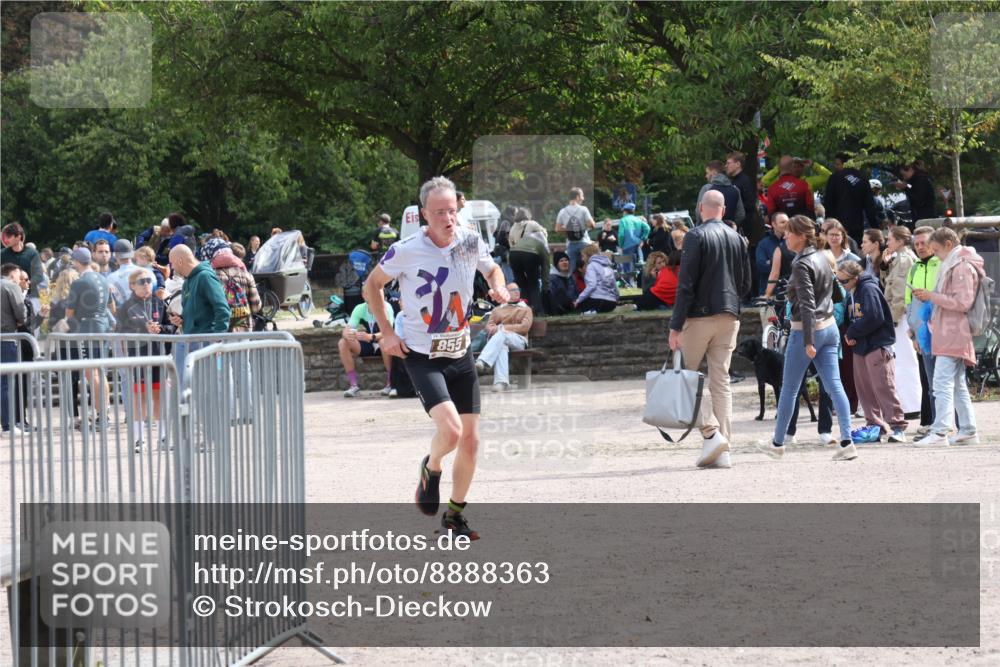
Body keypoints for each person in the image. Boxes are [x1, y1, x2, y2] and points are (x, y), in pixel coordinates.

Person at [362, 176, 509, 541]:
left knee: (472, 442)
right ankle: (432, 466)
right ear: (424, 215)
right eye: (440, 212)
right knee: (452, 431)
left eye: (453, 211)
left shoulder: (470, 241)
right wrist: (387, 332)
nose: (448, 218)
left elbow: (491, 268)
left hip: (460, 350)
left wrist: (498, 284)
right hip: (421, 353)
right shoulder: (406, 249)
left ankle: (455, 516)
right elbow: (372, 285)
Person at [756, 215, 858, 460]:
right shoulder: (824, 256)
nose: (785, 236)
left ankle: (778, 443)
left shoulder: (802, 263)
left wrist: (809, 341)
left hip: (807, 330)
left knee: (789, 388)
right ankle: (847, 441)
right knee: (834, 385)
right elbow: (836, 293)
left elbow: (807, 304)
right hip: (830, 327)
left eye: (789, 233)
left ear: (801, 236)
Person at [669, 190, 752, 468]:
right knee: (721, 380)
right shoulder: (738, 238)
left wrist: (675, 324)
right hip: (730, 314)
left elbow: (686, 284)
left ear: (701, 207)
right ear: (723, 209)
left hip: (699, 316)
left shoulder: (695, 235)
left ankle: (711, 433)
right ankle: (723, 447)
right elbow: (746, 284)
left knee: (685, 377)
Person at [911, 227, 981, 446]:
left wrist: (933, 296)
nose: (935, 254)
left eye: (936, 249)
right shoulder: (955, 264)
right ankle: (967, 429)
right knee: (957, 383)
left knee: (941, 383)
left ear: (948, 245)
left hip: (953, 330)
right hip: (951, 330)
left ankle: (940, 432)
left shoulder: (960, 267)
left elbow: (963, 302)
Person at [838, 260, 907, 443]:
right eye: (839, 281)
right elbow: (851, 318)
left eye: (844, 281)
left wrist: (853, 332)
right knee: (864, 389)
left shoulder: (868, 289)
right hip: (860, 346)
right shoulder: (852, 292)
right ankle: (875, 426)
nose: (842, 285)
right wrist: (850, 334)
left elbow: (875, 316)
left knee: (883, 386)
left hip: (876, 345)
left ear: (856, 277)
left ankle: (898, 426)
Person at [117, 268, 173, 451]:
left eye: (149, 280)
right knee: (140, 398)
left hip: (158, 356)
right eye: (142, 281)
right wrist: (143, 330)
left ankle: (163, 438)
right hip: (138, 358)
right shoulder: (126, 306)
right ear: (132, 286)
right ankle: (138, 439)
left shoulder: (160, 303)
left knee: (160, 397)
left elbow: (171, 327)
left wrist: (161, 330)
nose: (147, 284)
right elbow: (120, 332)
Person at [64, 247, 114, 428]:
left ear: (77, 262)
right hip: (102, 326)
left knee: (91, 373)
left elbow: (69, 313)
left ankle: (102, 416)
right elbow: (112, 307)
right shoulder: (103, 278)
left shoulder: (79, 282)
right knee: (100, 372)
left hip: (86, 328)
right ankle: (104, 413)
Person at [904, 226, 941, 435]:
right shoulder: (914, 268)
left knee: (948, 381)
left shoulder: (942, 265)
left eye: (923, 243)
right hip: (923, 335)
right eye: (916, 244)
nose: (920, 247)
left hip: (944, 332)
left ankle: (958, 425)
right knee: (931, 383)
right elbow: (909, 303)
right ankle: (937, 426)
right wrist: (914, 333)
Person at [882, 225, 922, 416]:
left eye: (890, 239)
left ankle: (912, 405)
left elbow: (899, 293)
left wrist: (894, 318)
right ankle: (910, 404)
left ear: (899, 240)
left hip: (901, 316)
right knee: (904, 360)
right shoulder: (899, 259)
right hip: (901, 314)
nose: (887, 242)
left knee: (906, 360)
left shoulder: (905, 260)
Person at [475, 282, 532, 392]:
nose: (517, 292)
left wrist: (502, 327)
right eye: (513, 290)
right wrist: (493, 328)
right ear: (506, 293)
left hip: (519, 341)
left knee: (501, 334)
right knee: (502, 346)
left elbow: (524, 327)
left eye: (517, 289)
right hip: (502, 341)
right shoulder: (498, 309)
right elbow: (489, 325)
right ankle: (501, 383)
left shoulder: (526, 309)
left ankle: (483, 361)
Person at [166, 245, 230, 334]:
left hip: (206, 341)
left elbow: (222, 309)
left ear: (180, 261)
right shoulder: (186, 282)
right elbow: (196, 314)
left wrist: (218, 337)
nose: (172, 268)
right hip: (192, 341)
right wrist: (180, 319)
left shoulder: (205, 276)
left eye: (171, 263)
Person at [203, 238, 261, 332]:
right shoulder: (246, 274)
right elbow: (256, 307)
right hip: (244, 331)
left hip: (220, 332)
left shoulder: (209, 276)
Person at [339, 300, 395, 398]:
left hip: (384, 343)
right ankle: (354, 386)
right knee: (343, 343)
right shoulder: (359, 308)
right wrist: (348, 335)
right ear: (364, 295)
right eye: (367, 292)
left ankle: (390, 384)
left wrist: (371, 336)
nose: (370, 293)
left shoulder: (386, 307)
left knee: (383, 341)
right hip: (369, 344)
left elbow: (388, 331)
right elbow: (346, 330)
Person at [823, 153, 879, 245]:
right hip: (856, 225)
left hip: (837, 225)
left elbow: (828, 202)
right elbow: (870, 206)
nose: (835, 167)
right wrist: (875, 227)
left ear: (844, 164)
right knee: (855, 250)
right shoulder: (863, 178)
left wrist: (828, 223)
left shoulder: (834, 177)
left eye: (837, 164)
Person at [1, 223, 47, 331]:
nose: (6, 239)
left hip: (30, 296)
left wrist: (26, 283)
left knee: (31, 331)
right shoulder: (2, 254)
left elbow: (39, 276)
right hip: (8, 297)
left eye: (9, 236)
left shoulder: (32, 253)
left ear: (18, 237)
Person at [1, 263, 27, 434]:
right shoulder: (11, 286)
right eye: (18, 277)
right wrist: (20, 320)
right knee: (7, 383)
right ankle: (9, 425)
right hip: (7, 338)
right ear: (12, 275)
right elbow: (21, 313)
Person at [555, 187, 596, 275]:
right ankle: (589, 287)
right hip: (584, 243)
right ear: (577, 197)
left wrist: (569, 227)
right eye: (582, 196)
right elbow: (592, 225)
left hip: (570, 244)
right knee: (588, 268)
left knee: (572, 270)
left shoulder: (562, 211)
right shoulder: (583, 209)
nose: (583, 198)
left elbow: (557, 229)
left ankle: (572, 287)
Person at [508, 230, 550, 315]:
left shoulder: (522, 239)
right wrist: (545, 287)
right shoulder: (541, 244)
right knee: (533, 284)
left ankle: (524, 311)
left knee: (522, 285)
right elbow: (546, 267)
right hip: (530, 255)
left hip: (513, 255)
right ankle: (539, 312)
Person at [696, 160, 745, 229]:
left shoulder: (707, 189)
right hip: (729, 233)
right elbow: (741, 215)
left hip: (709, 232)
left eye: (707, 173)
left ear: (714, 173)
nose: (706, 176)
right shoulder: (735, 190)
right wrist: (729, 226)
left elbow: (699, 213)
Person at [107, 240, 155, 309]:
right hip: (148, 314)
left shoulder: (111, 278)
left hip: (124, 316)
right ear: (132, 254)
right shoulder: (148, 272)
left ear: (115, 255)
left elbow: (110, 302)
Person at [574, 244, 618, 313]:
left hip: (597, 300)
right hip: (611, 302)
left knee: (581, 306)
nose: (582, 259)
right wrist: (616, 299)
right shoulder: (608, 267)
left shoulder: (591, 266)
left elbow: (592, 285)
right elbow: (614, 285)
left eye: (583, 256)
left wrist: (578, 299)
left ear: (588, 255)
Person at [725, 151, 760, 240]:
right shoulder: (732, 181)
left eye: (728, 163)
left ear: (738, 164)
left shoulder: (745, 181)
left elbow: (750, 204)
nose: (726, 166)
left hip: (743, 227)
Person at [756, 213, 788, 296]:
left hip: (788, 290)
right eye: (782, 222)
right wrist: (784, 264)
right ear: (774, 224)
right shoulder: (763, 244)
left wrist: (772, 261)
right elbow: (761, 265)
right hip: (770, 293)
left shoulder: (792, 241)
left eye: (788, 222)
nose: (786, 224)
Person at [616, 202, 650, 277]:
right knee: (637, 266)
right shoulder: (638, 220)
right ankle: (636, 284)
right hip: (637, 244)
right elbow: (647, 228)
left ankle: (629, 284)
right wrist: (642, 238)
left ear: (625, 211)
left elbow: (621, 235)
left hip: (627, 246)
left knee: (627, 267)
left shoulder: (623, 220)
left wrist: (621, 245)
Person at [548, 251, 578, 315]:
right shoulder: (552, 278)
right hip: (558, 307)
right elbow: (552, 296)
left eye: (566, 260)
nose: (564, 262)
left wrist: (575, 300)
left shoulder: (571, 276)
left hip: (572, 304)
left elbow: (576, 291)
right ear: (556, 264)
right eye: (561, 261)